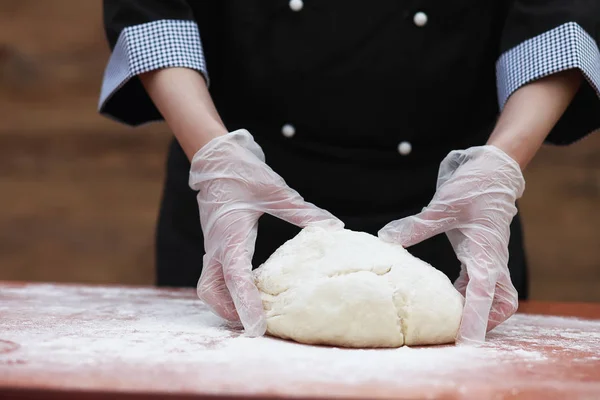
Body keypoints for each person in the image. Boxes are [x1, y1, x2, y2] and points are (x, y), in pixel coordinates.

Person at [98, 0, 600, 344]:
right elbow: (153, 8)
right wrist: (214, 155)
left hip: (449, 211)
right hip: (240, 203)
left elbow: (560, 15)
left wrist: (501, 163)